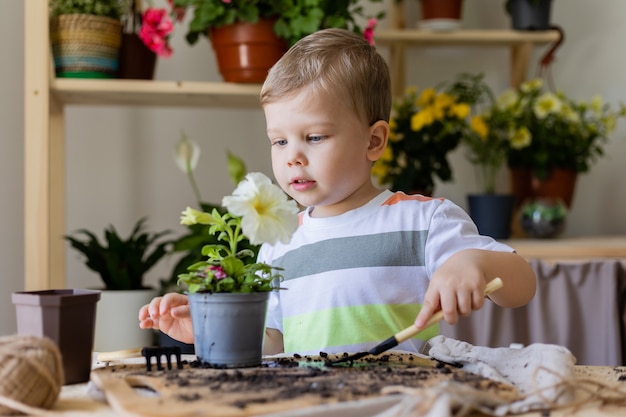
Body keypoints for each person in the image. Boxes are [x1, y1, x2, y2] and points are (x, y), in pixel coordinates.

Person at [139, 28, 536, 356]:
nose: (292, 157)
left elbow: (522, 283)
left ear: (374, 141)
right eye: (278, 142)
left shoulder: (422, 220)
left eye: (314, 137)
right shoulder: (278, 244)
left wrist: (473, 264)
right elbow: (274, 342)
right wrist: (209, 326)